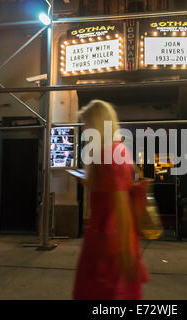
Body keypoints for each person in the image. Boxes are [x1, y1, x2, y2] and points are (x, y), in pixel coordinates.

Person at [73, 100, 149, 300]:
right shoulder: (118, 150)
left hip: (108, 239)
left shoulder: (107, 155)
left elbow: (119, 203)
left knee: (106, 292)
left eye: (87, 125)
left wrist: (121, 250)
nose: (85, 131)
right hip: (115, 236)